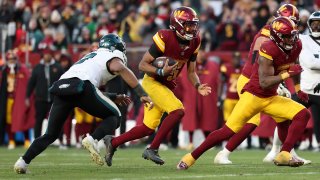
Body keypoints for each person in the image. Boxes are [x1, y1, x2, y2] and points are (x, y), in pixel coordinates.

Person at [177, 16, 310, 170]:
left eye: (293, 35)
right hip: (254, 96)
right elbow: (264, 82)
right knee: (226, 131)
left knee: (303, 114)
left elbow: (295, 66)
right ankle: (190, 157)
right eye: (287, 36)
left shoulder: (296, 45)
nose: (291, 39)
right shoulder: (268, 48)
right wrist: (287, 75)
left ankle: (284, 153)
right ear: (277, 37)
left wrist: (298, 89)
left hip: (271, 97)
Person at [13, 33, 153, 174]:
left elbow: (85, 86)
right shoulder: (111, 55)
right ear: (115, 47)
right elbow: (118, 68)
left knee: (50, 134)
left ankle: (22, 162)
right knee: (115, 116)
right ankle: (92, 139)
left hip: (63, 87)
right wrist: (142, 93)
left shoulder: (91, 56)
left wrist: (112, 96)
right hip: (82, 86)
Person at [103, 6, 211, 166]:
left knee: (147, 128)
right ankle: (152, 148)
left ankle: (113, 142)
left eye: (194, 25)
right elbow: (142, 65)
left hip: (165, 86)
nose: (192, 28)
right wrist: (160, 71)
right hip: (152, 82)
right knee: (178, 110)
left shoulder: (195, 41)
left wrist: (198, 85)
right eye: (188, 25)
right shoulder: (165, 37)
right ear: (178, 24)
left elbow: (191, 71)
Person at [213, 3, 308, 165]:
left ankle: (284, 153)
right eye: (289, 20)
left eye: (294, 21)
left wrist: (292, 85)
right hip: (252, 80)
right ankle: (224, 153)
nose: (292, 25)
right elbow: (260, 63)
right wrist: (278, 80)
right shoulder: (267, 35)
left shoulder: (284, 36)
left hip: (267, 81)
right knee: (252, 121)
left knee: (283, 118)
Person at [265, 11, 320, 158]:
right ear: (309, 25)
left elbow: (314, 62)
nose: (317, 27)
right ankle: (275, 149)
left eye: (319, 25)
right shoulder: (303, 39)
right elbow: (310, 63)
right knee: (284, 117)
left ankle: (286, 150)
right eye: (314, 24)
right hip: (305, 89)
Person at [25, 44, 64, 139]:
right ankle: (35, 140)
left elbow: (63, 82)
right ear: (43, 55)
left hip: (55, 99)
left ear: (52, 55)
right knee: (38, 120)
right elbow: (31, 83)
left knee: (57, 120)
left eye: (49, 54)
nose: (47, 56)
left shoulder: (57, 67)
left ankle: (61, 141)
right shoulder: (37, 67)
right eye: (46, 54)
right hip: (40, 99)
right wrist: (27, 96)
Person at [0, 50, 34, 149]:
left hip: (19, 99)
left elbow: (28, 83)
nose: (11, 61)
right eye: (9, 59)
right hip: (8, 99)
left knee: (23, 118)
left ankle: (27, 140)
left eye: (13, 59)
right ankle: (11, 140)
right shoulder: (3, 70)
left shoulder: (22, 69)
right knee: (8, 120)